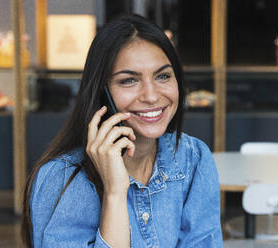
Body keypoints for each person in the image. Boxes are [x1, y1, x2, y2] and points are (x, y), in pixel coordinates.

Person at [21, 14, 222, 248]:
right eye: (129, 80)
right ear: (101, 92)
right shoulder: (62, 179)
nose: (151, 96)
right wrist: (115, 193)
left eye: (163, 76)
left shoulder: (193, 159)